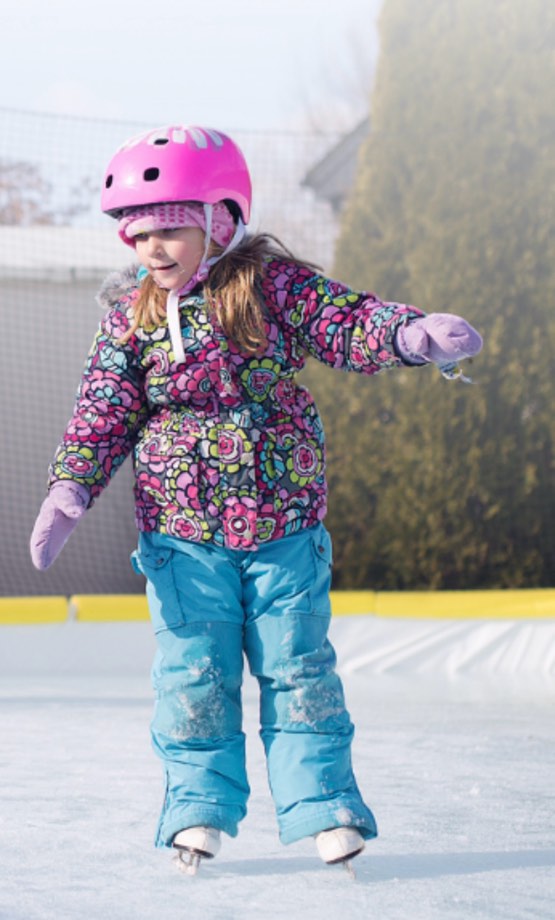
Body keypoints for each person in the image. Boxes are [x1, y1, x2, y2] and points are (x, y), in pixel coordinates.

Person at [30, 124, 482, 874]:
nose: (152, 248)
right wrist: (71, 486)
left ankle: (324, 806)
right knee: (194, 675)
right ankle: (197, 811)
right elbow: (103, 407)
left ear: (221, 219)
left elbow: (343, 321)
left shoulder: (270, 288)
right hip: (180, 535)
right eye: (137, 233)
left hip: (284, 527)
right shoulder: (132, 318)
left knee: (299, 670)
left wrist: (408, 335)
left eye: (169, 228)